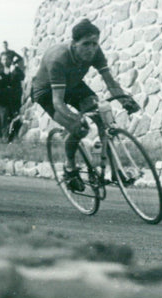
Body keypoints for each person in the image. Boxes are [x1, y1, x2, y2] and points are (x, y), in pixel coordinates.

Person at [31, 18, 140, 192]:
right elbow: (58, 102)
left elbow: (110, 82)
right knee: (78, 128)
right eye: (86, 44)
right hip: (47, 92)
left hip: (73, 85)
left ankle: (115, 170)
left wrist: (124, 99)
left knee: (103, 115)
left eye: (95, 44)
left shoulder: (96, 52)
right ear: (74, 43)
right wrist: (75, 118)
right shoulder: (58, 59)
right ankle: (70, 168)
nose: (91, 49)